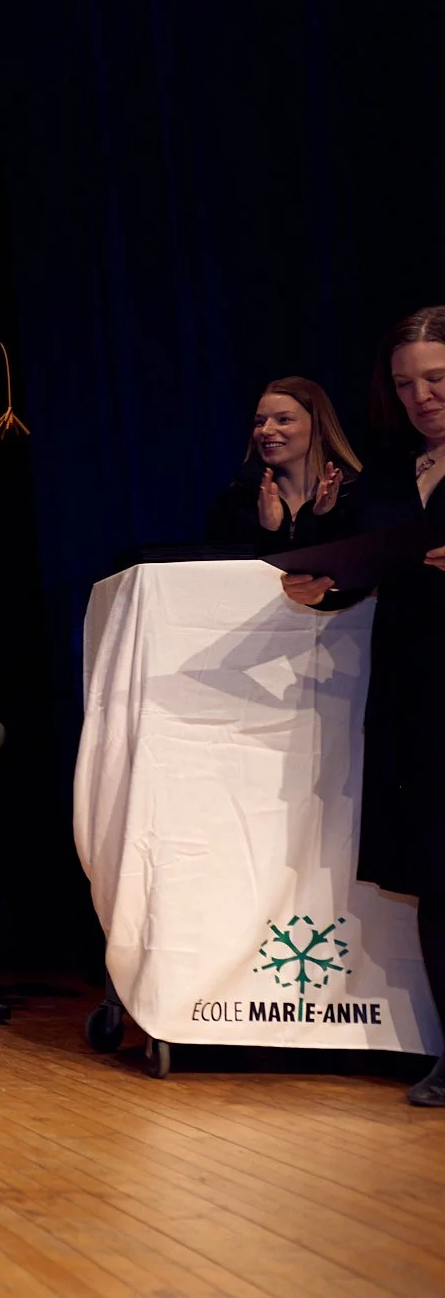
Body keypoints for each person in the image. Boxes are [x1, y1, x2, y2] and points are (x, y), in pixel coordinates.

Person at [279, 306, 445, 1106]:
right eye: (407, 382)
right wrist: (320, 586)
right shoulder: (393, 474)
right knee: (435, 873)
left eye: (437, 379)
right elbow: (363, 564)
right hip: (418, 693)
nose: (421, 396)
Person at [204, 376, 364, 551]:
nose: (266, 430)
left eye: (284, 420)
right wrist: (268, 531)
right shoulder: (234, 504)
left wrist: (325, 518)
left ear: (319, 428)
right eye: (260, 422)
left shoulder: (356, 498)